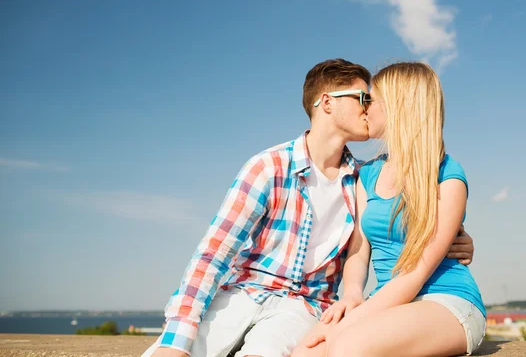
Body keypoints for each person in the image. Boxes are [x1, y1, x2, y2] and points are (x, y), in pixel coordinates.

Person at [143, 59, 475, 357]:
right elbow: (213, 254)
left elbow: (410, 229)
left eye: (371, 100)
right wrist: (176, 340)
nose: (366, 108)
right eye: (362, 98)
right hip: (246, 292)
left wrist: (454, 237)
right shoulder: (277, 168)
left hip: (307, 307)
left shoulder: (364, 176)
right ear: (326, 102)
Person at [293, 62, 486, 357]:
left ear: (397, 106)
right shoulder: (367, 174)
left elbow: (414, 275)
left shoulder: (446, 176)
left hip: (447, 301)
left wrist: (339, 327)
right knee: (306, 353)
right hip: (390, 304)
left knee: (347, 347)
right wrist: (354, 293)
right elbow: (358, 247)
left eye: (370, 99)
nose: (365, 108)